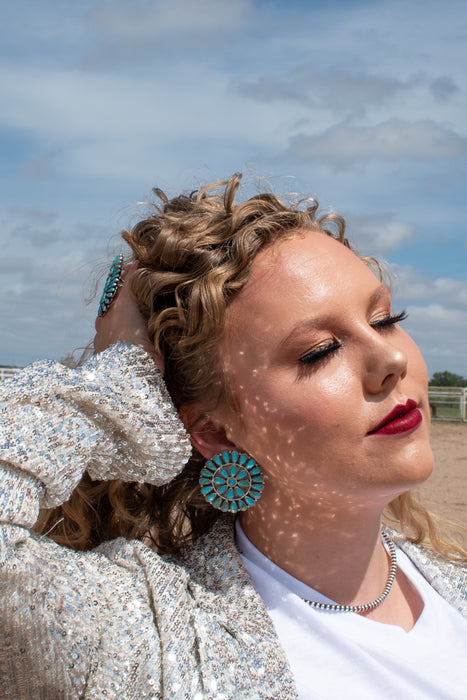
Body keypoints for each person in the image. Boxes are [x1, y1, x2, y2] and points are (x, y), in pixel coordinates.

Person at [0, 174, 465, 699]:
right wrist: (114, 381)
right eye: (318, 351)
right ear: (216, 433)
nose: (393, 359)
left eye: (384, 319)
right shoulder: (145, 641)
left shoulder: (454, 584)